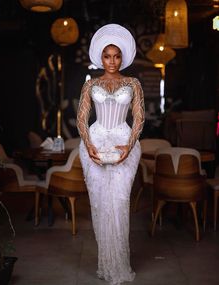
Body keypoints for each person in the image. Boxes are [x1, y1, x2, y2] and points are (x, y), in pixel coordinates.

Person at [76, 23, 145, 285]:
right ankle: (106, 264)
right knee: (99, 204)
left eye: (117, 56)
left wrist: (129, 144)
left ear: (123, 57)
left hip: (124, 144)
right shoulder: (90, 85)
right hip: (94, 144)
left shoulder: (133, 83)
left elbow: (139, 116)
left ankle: (120, 264)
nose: (112, 61)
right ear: (100, 57)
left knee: (118, 202)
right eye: (107, 56)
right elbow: (82, 118)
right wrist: (87, 142)